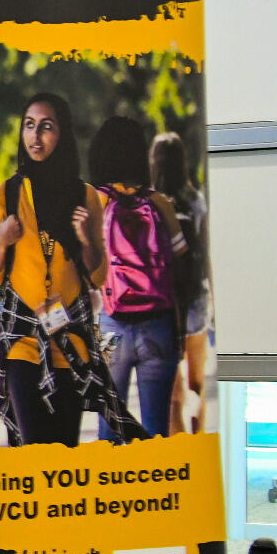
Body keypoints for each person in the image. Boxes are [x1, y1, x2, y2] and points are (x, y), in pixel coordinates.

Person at [0, 92, 140, 446]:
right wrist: (2, 241)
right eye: (29, 126)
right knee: (34, 450)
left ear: (62, 134)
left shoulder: (85, 197)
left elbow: (98, 277)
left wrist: (85, 240)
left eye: (46, 127)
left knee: (65, 450)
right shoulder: (6, 195)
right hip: (24, 343)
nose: (35, 136)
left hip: (72, 347)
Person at [88, 115, 185, 445]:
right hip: (158, 327)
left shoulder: (95, 202)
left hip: (112, 327)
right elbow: (180, 270)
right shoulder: (160, 204)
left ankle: (112, 494)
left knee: (109, 433)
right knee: (157, 433)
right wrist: (180, 331)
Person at [150, 131, 211, 434]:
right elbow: (206, 251)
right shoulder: (196, 200)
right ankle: (199, 445)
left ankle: (180, 456)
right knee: (197, 383)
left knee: (173, 395)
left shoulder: (150, 203)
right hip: (196, 298)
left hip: (164, 305)